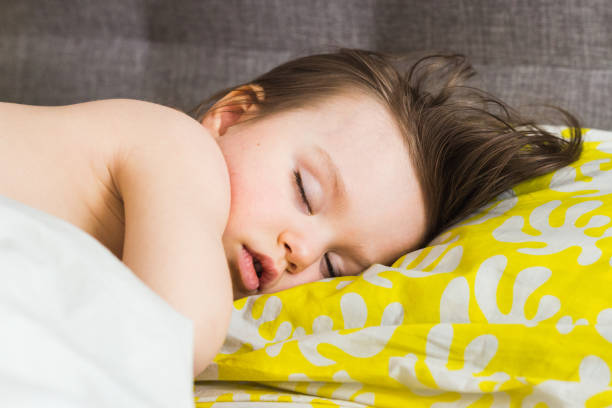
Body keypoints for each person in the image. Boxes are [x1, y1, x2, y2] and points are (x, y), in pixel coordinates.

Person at [0, 48, 582, 377]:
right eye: (304, 190)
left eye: (334, 266)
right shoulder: (176, 148)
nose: (300, 251)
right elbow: (166, 338)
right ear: (231, 117)